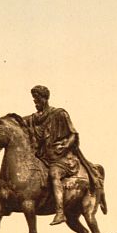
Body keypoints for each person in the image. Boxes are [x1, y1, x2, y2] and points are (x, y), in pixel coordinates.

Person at [22, 85, 101, 225]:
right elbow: (13, 124)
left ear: (45, 98)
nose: (35, 102)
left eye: (37, 99)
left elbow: (73, 135)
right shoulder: (33, 119)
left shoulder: (59, 114)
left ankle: (60, 212)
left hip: (63, 159)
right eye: (34, 99)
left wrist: (65, 145)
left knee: (53, 173)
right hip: (45, 158)